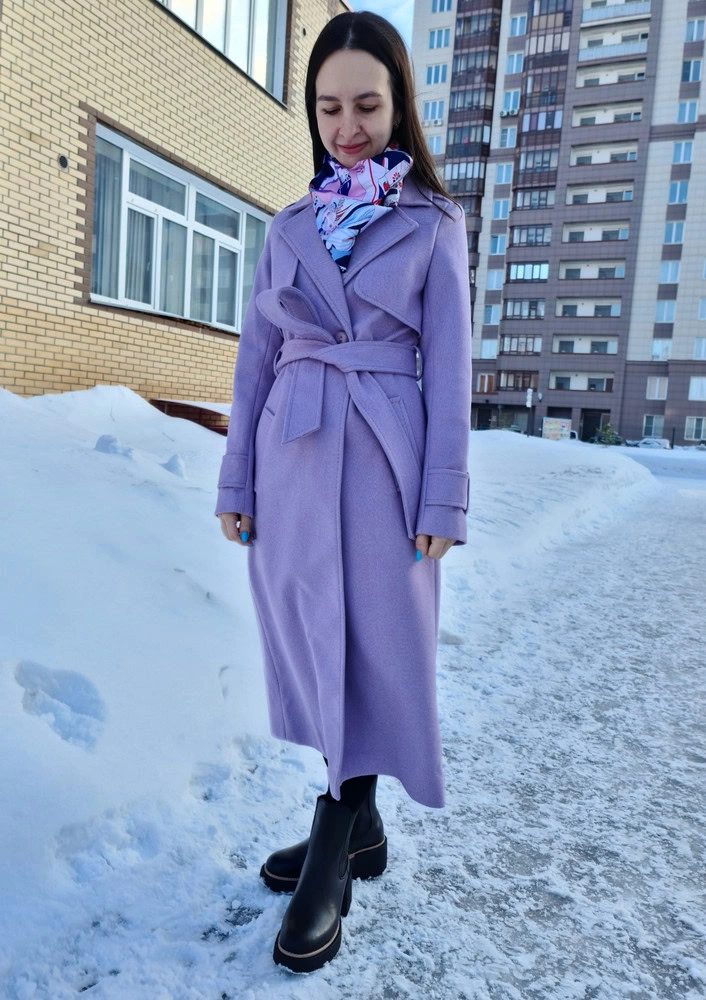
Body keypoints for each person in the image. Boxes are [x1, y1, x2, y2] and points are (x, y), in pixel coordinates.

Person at [215, 10, 472, 973]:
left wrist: (443, 497)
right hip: (290, 454)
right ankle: (357, 830)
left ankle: (334, 843)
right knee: (316, 638)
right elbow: (255, 360)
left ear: (400, 104)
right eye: (328, 108)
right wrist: (237, 476)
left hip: (383, 459)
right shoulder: (288, 226)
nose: (347, 127)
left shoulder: (433, 223)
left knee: (371, 647)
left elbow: (450, 370)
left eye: (367, 104)